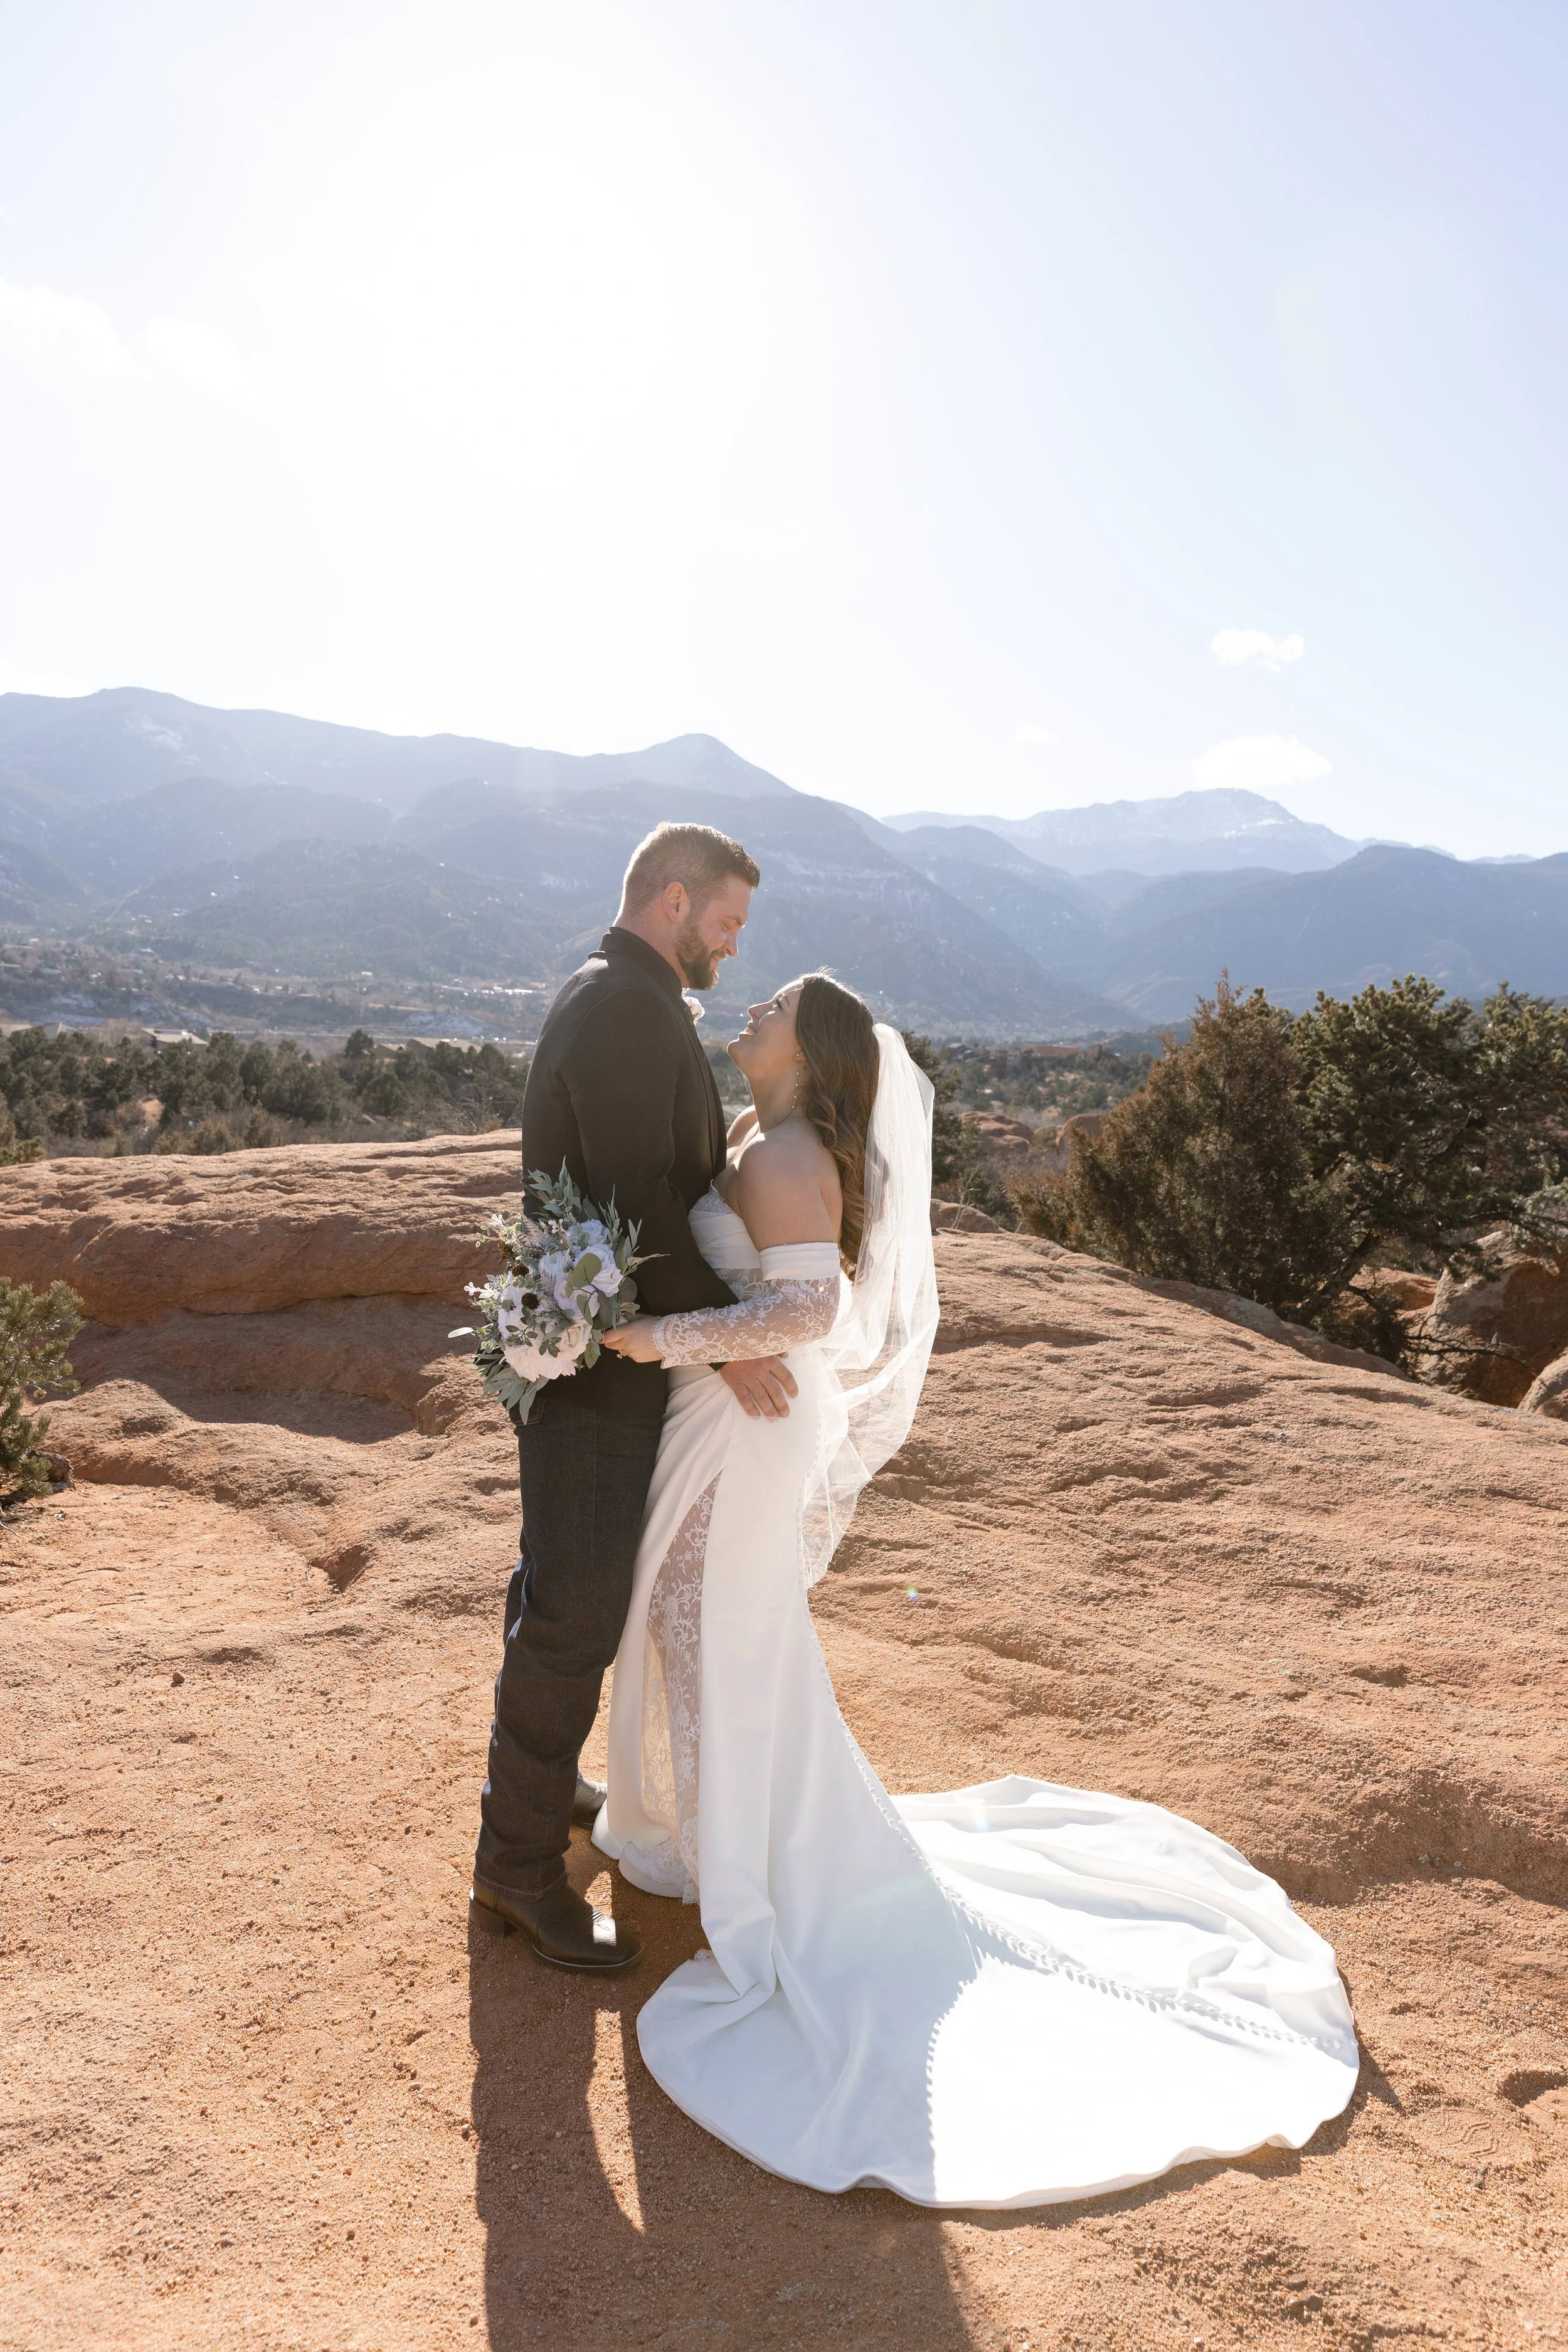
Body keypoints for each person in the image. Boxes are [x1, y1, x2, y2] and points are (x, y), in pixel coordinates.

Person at [593, 971, 1361, 2207]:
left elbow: (808, 1304)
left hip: (745, 1433)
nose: (748, 1009)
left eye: (772, 1003)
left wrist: (658, 1342)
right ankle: (721, 1836)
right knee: (702, 1639)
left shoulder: (788, 1152)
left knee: (721, 1641)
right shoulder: (754, 1135)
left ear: (813, 1046)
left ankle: (757, 1870)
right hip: (720, 1421)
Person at [470, 820, 794, 1972]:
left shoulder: (631, 994)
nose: (733, 945)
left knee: (564, 1586)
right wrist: (733, 1338)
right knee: (576, 1606)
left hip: (617, 1353)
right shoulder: (622, 1007)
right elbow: (637, 1205)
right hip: (604, 1368)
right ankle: (513, 1874)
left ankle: (539, 1787)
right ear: (672, 898)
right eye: (727, 920)